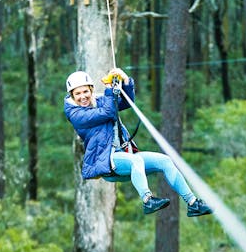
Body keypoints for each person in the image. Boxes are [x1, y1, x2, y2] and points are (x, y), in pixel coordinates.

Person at [64, 68, 212, 217]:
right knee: (136, 160)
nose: (83, 97)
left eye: (85, 92)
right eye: (78, 93)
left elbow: (126, 103)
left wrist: (125, 81)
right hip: (106, 161)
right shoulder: (75, 114)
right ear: (72, 95)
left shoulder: (99, 101)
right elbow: (109, 112)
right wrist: (110, 91)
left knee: (165, 161)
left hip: (123, 156)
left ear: (91, 90)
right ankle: (147, 200)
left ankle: (193, 203)